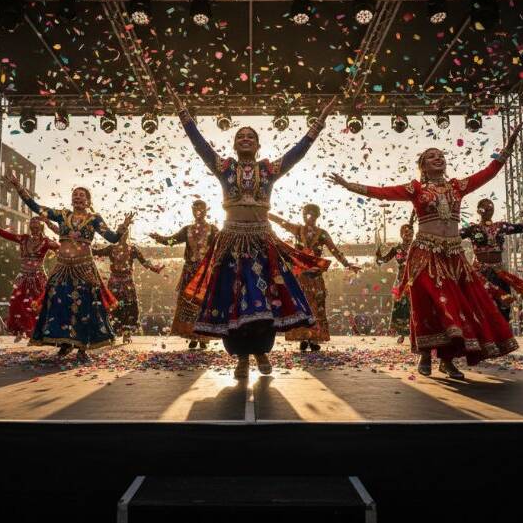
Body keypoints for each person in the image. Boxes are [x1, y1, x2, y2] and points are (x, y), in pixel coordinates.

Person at [165, 81, 336, 378]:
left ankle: (260, 352)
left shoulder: (269, 169)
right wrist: (181, 111)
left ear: (258, 145)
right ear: (234, 145)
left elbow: (298, 152)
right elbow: (199, 144)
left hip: (261, 243)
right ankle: (241, 359)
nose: (245, 139)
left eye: (250, 136)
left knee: (263, 298)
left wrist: (319, 122)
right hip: (230, 243)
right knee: (232, 300)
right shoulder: (224, 167)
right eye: (240, 136)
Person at [328, 122, 523, 379]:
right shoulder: (416, 189)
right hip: (424, 255)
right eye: (431, 156)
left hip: (453, 256)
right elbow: (383, 193)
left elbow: (487, 173)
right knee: (431, 304)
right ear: (422, 166)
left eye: (441, 155)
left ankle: (447, 360)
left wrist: (507, 149)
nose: (438, 158)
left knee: (457, 306)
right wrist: (349, 185)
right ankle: (424, 355)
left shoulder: (457, 187)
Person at [7, 173, 134, 361]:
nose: (77, 197)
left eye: (82, 195)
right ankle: (65, 343)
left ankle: (83, 345)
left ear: (88, 200)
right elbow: (37, 207)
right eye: (75, 194)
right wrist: (19, 188)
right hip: (63, 267)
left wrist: (122, 227)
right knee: (59, 302)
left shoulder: (94, 219)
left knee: (86, 306)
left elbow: (112, 238)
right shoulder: (62, 215)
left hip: (84, 268)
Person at [269, 204, 360, 351]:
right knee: (301, 305)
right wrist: (263, 212)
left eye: (311, 214)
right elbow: (280, 222)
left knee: (316, 307)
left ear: (317, 216)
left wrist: (347, 264)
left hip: (315, 277)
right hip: (300, 276)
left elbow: (334, 250)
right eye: (306, 214)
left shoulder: (322, 234)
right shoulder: (298, 229)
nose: (308, 217)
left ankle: (313, 338)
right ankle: (304, 337)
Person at [460, 199, 523, 320]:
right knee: (481, 305)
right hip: (480, 273)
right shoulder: (472, 229)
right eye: (486, 208)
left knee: (503, 306)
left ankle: (503, 334)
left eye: (491, 208)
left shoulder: (501, 226)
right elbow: (453, 236)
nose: (489, 210)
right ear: (479, 211)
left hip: (499, 273)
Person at [0, 212, 59, 342]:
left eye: (37, 224)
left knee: (37, 305)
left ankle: (37, 333)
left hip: (38, 278)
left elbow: (61, 248)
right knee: (16, 304)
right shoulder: (23, 238)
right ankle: (22, 330)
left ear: (41, 227)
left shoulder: (46, 241)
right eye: (32, 224)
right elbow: (4, 233)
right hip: (23, 276)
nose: (34, 226)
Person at [149, 199, 219, 349]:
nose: (198, 211)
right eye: (195, 209)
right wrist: (158, 238)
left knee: (203, 304)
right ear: (193, 211)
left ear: (206, 211)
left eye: (201, 209)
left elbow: (221, 246)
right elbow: (171, 241)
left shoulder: (213, 230)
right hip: (189, 272)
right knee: (189, 304)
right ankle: (192, 336)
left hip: (205, 273)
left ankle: (203, 337)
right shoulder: (187, 230)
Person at [93, 228, 163, 343]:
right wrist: (81, 244)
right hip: (114, 281)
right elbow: (96, 252)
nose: (123, 235)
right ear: (117, 233)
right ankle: (112, 333)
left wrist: (155, 269)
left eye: (125, 232)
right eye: (121, 231)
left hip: (127, 282)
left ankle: (126, 333)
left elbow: (144, 262)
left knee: (129, 306)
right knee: (113, 306)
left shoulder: (133, 249)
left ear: (128, 234)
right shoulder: (111, 248)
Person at [375, 217, 415, 344]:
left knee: (414, 305)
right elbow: (383, 260)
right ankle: (402, 333)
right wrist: (378, 256)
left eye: (410, 233)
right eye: (406, 233)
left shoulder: (417, 247)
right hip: (400, 279)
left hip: (415, 279)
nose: (408, 236)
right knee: (400, 307)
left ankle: (416, 333)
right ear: (401, 234)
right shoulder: (396, 249)